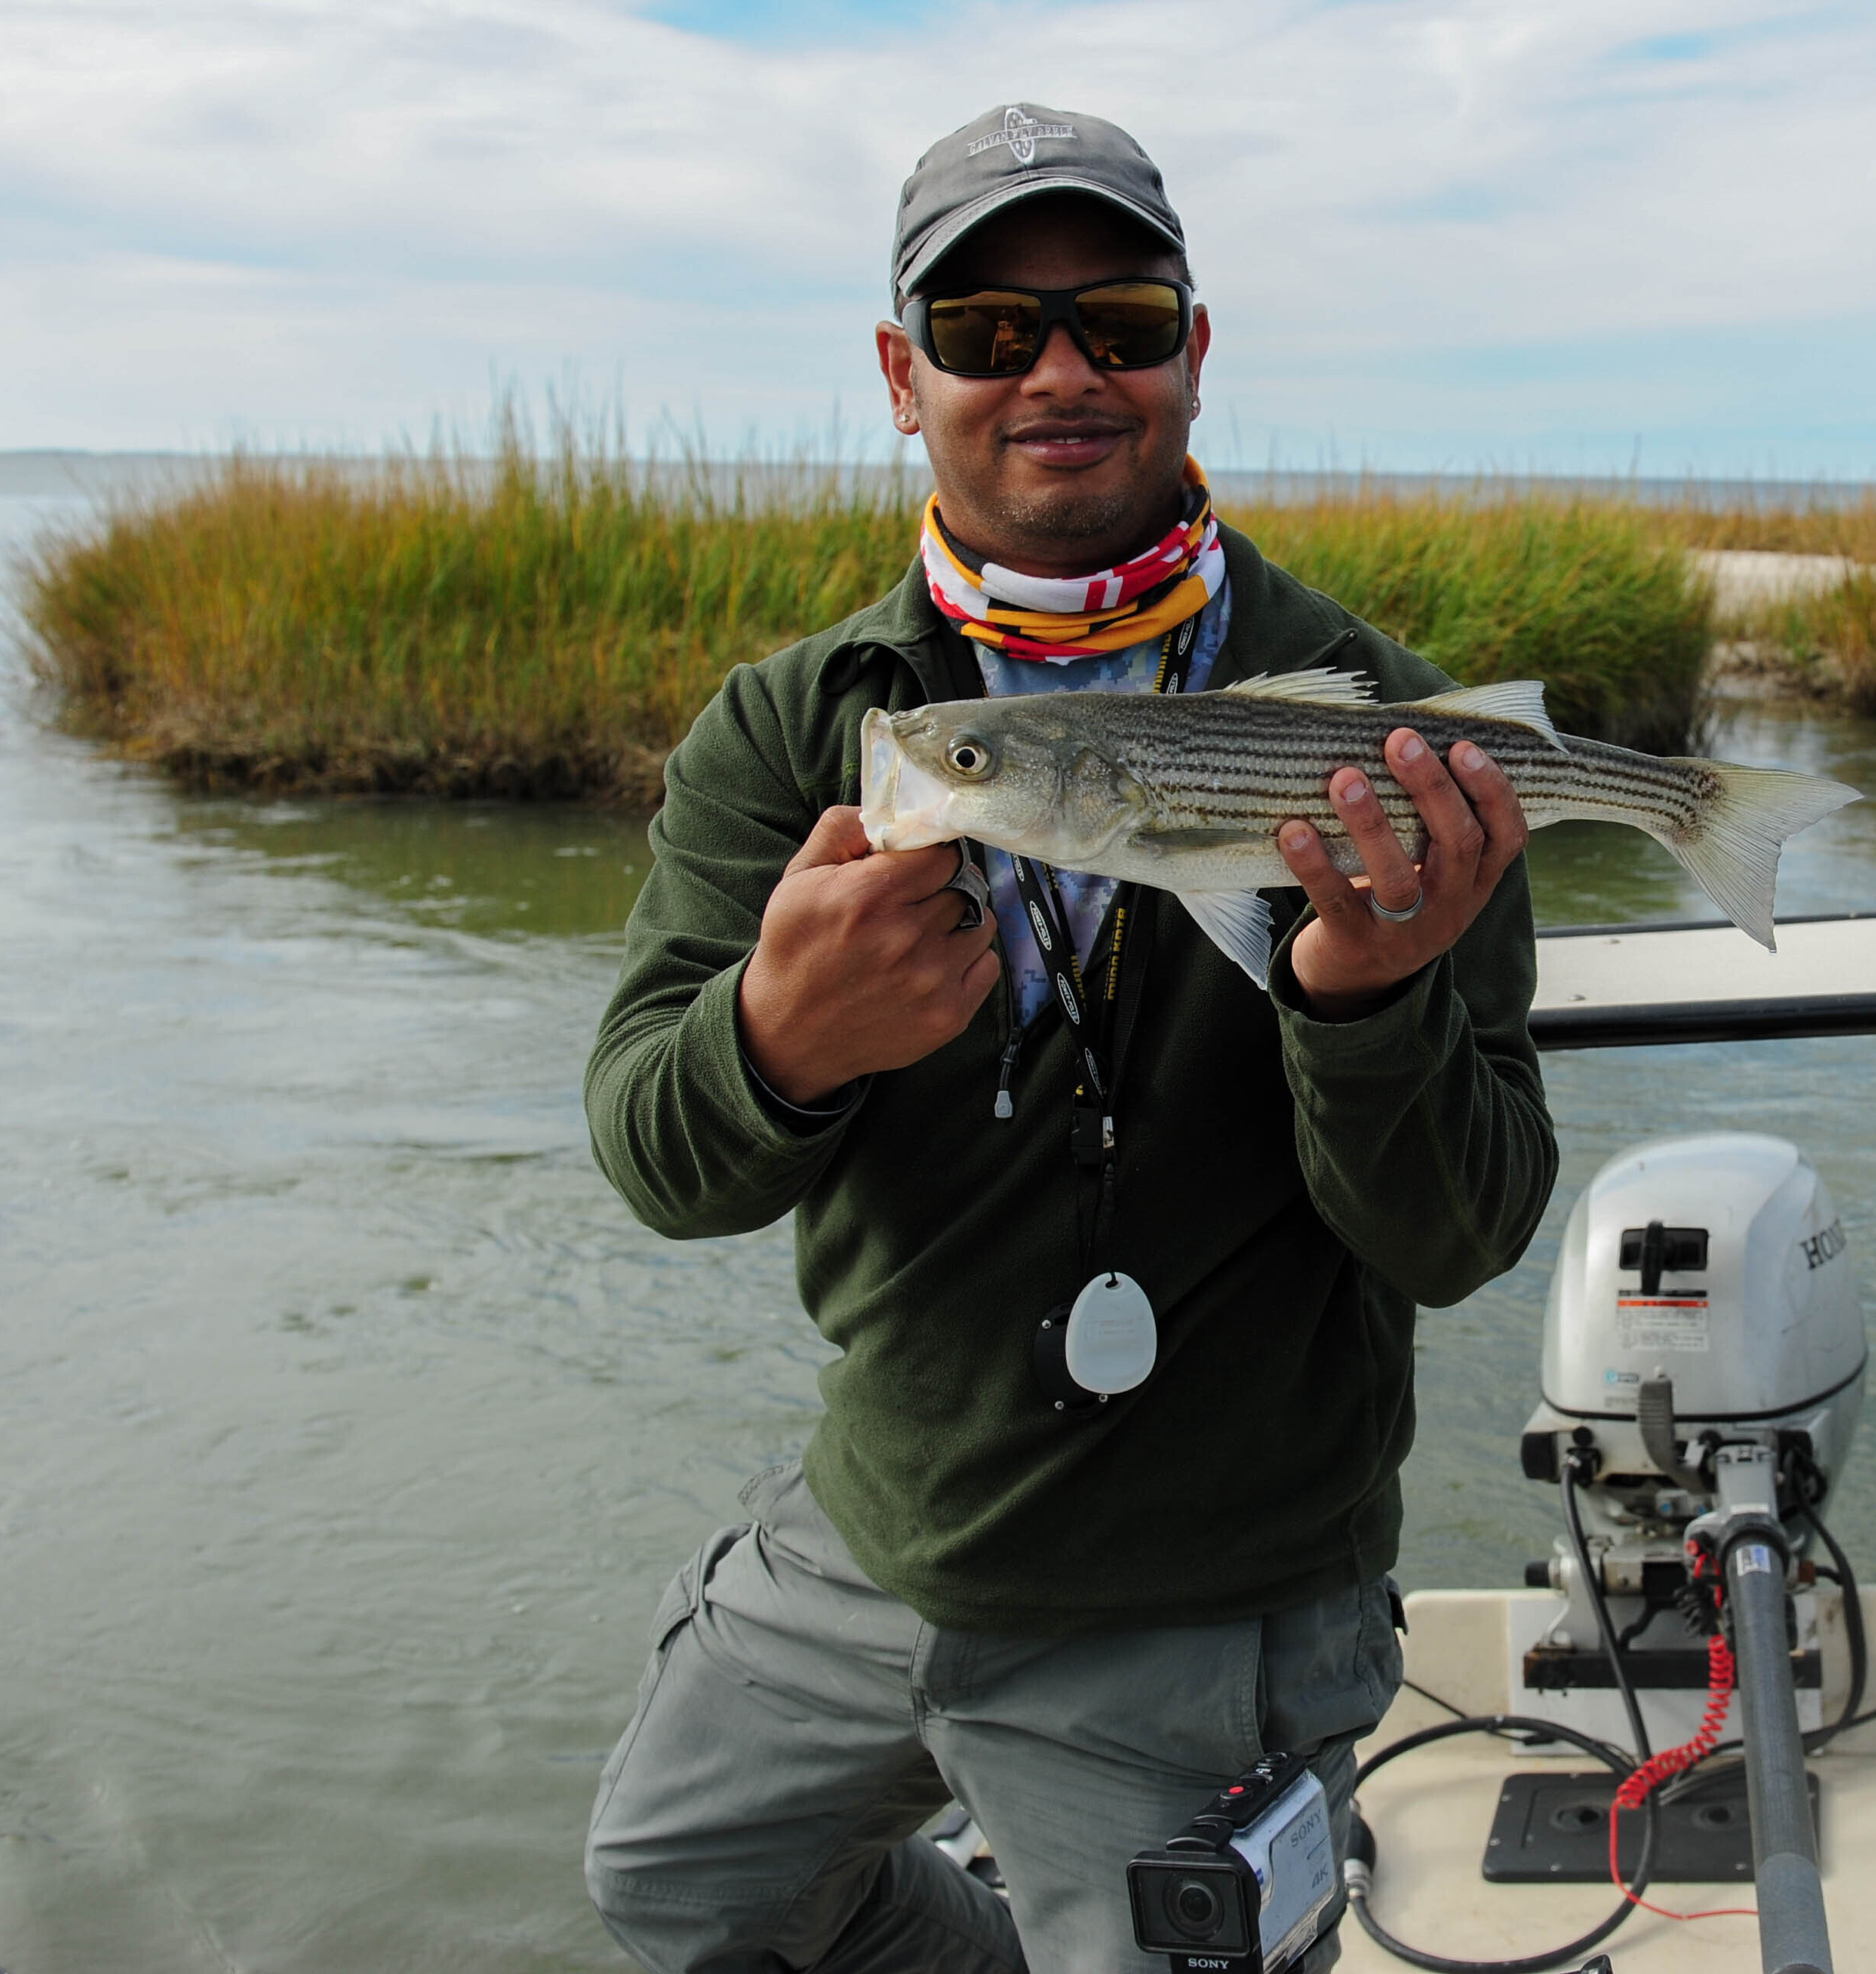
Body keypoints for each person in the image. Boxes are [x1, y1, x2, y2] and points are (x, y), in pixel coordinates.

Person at [579, 101, 1554, 1973]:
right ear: (900, 373)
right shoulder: (803, 725)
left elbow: (1461, 1234)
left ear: (1195, 354)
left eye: (1118, 317)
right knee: (679, 1895)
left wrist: (1359, 1004)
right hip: (879, 1523)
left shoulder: (1388, 741)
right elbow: (649, 1152)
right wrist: (777, 1042)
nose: (1056, 372)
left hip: (1203, 1589)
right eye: (982, 330)